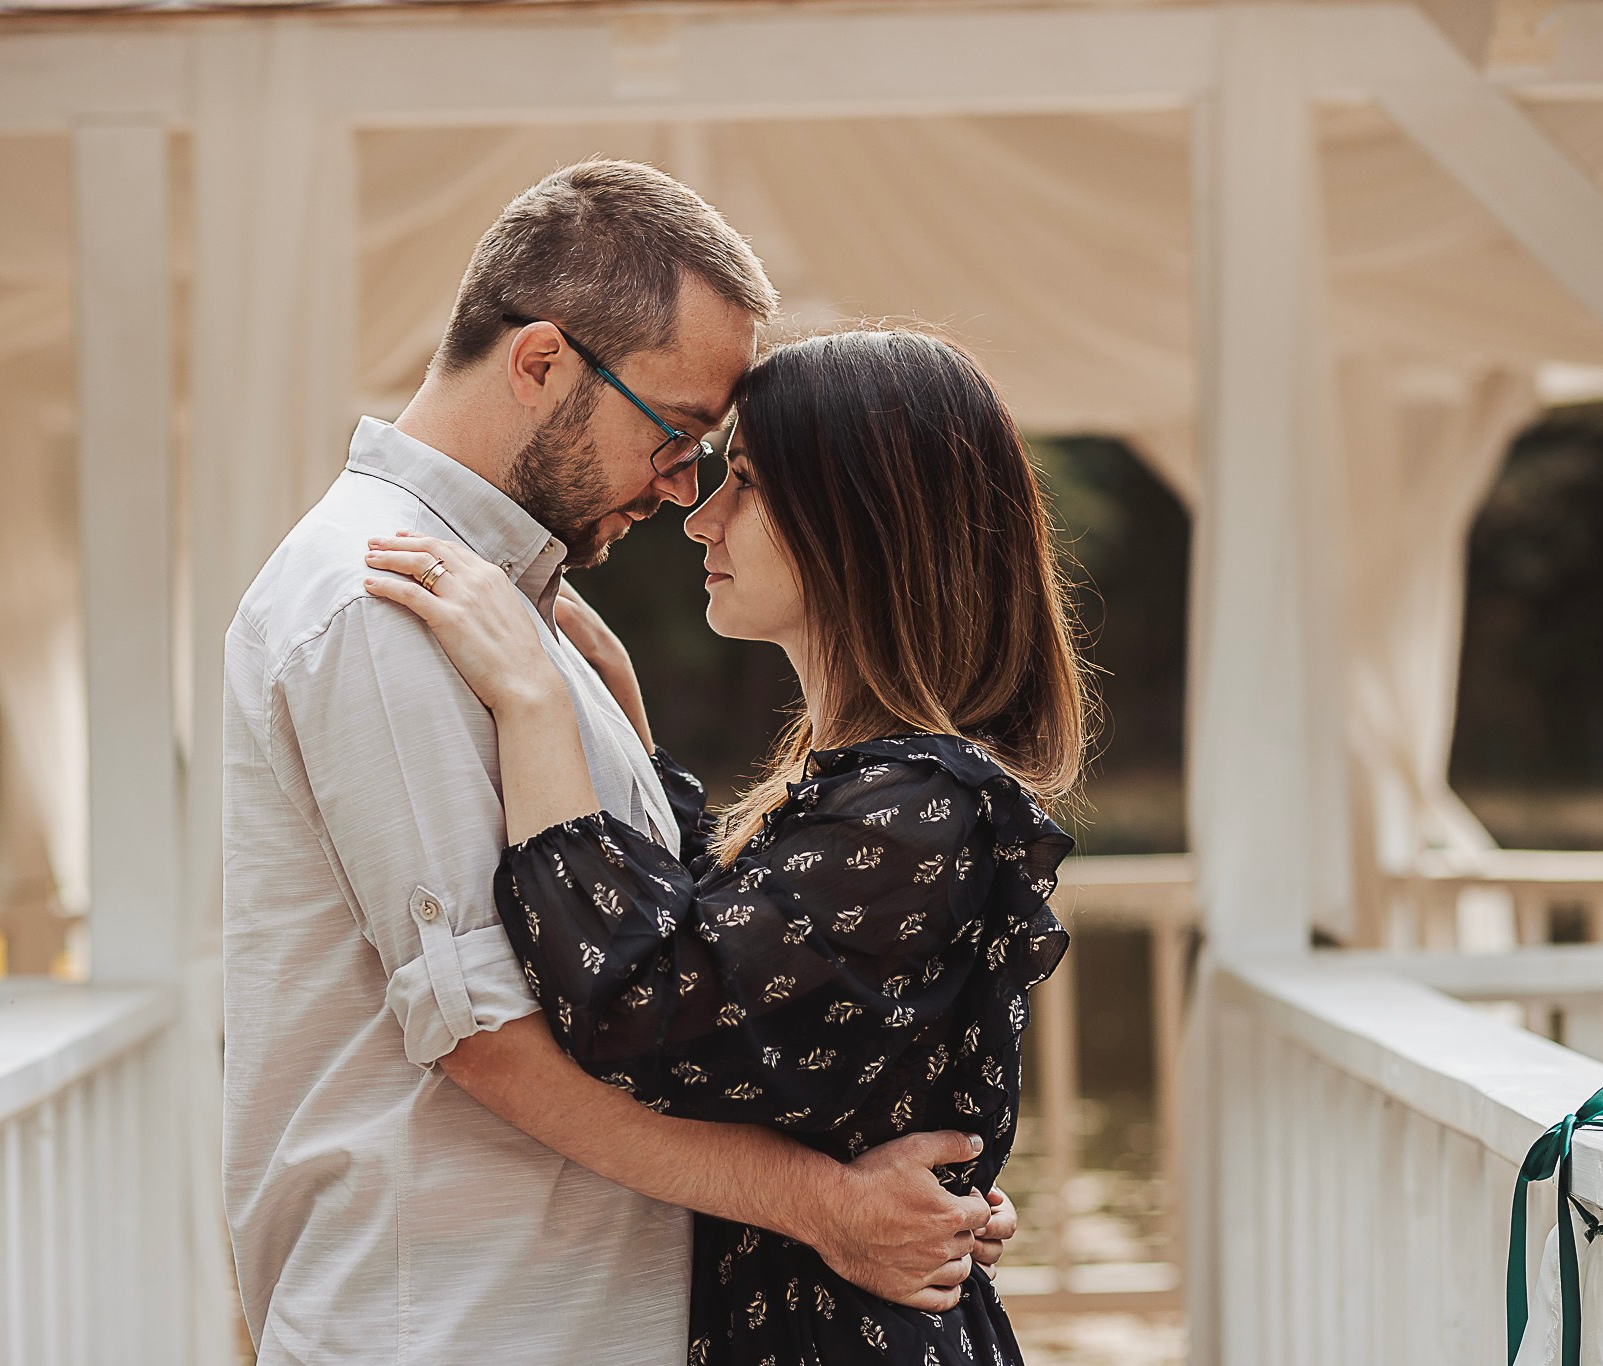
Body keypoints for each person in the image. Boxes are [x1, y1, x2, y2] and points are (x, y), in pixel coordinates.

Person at [222, 163, 1015, 1365]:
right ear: (541, 363)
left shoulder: (515, 616)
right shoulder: (377, 602)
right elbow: (487, 1035)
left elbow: (706, 975)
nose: (683, 486)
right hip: (457, 1323)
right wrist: (830, 1209)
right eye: (678, 431)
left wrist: (906, 1168)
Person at [362, 325, 1084, 1364]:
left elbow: (640, 1005)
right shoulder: (880, 793)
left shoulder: (921, 805)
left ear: (858, 521)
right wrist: (610, 703)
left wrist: (530, 702)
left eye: (742, 480)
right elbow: (737, 955)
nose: (700, 515)